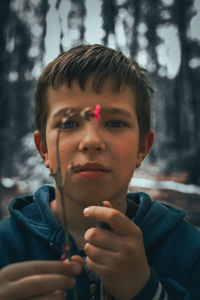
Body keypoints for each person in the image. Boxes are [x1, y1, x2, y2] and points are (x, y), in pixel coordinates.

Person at [0, 44, 199, 300]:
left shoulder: (188, 251)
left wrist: (148, 291)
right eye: (68, 123)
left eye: (115, 122)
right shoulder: (5, 247)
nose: (91, 141)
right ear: (44, 150)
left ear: (142, 148)